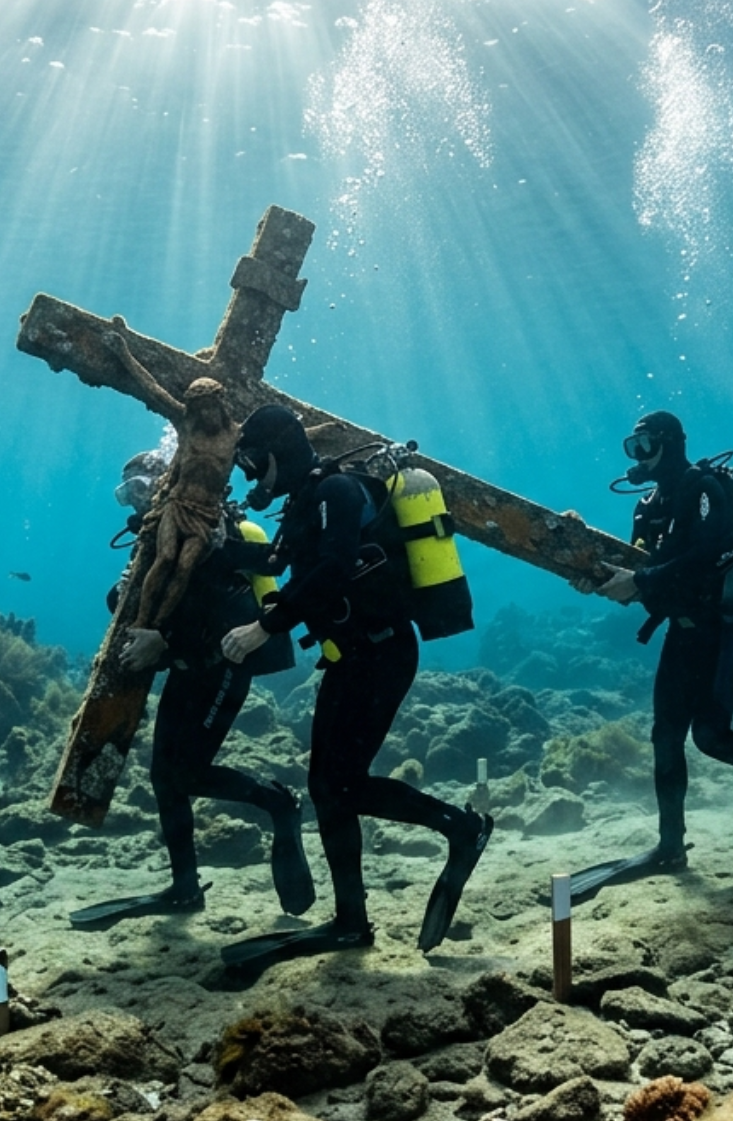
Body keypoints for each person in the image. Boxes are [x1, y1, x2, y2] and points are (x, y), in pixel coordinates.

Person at [216, 405, 492, 966]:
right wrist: (214, 543)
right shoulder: (306, 505)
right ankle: (351, 920)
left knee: (337, 785)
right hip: (354, 656)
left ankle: (460, 830)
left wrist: (263, 627)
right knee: (328, 787)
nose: (249, 475)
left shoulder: (336, 493)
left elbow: (335, 569)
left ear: (280, 452)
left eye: (252, 461)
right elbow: (277, 557)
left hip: (382, 652)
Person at [70, 449, 315, 926]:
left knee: (188, 773)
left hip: (224, 664)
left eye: (142, 489)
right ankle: (185, 888)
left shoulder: (207, 534)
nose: (134, 503)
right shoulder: (157, 537)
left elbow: (228, 616)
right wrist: (127, 595)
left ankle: (278, 802)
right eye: (127, 493)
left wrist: (163, 640)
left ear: (166, 487)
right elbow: (136, 601)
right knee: (165, 776)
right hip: (189, 666)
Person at [573, 411, 733, 897]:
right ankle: (670, 847)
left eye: (644, 445)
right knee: (665, 736)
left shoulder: (703, 490)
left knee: (711, 737)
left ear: (670, 443)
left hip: (725, 629)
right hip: (683, 630)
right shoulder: (648, 507)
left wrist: (643, 580)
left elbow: (712, 553)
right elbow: (638, 568)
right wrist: (588, 568)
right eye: (631, 447)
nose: (637, 456)